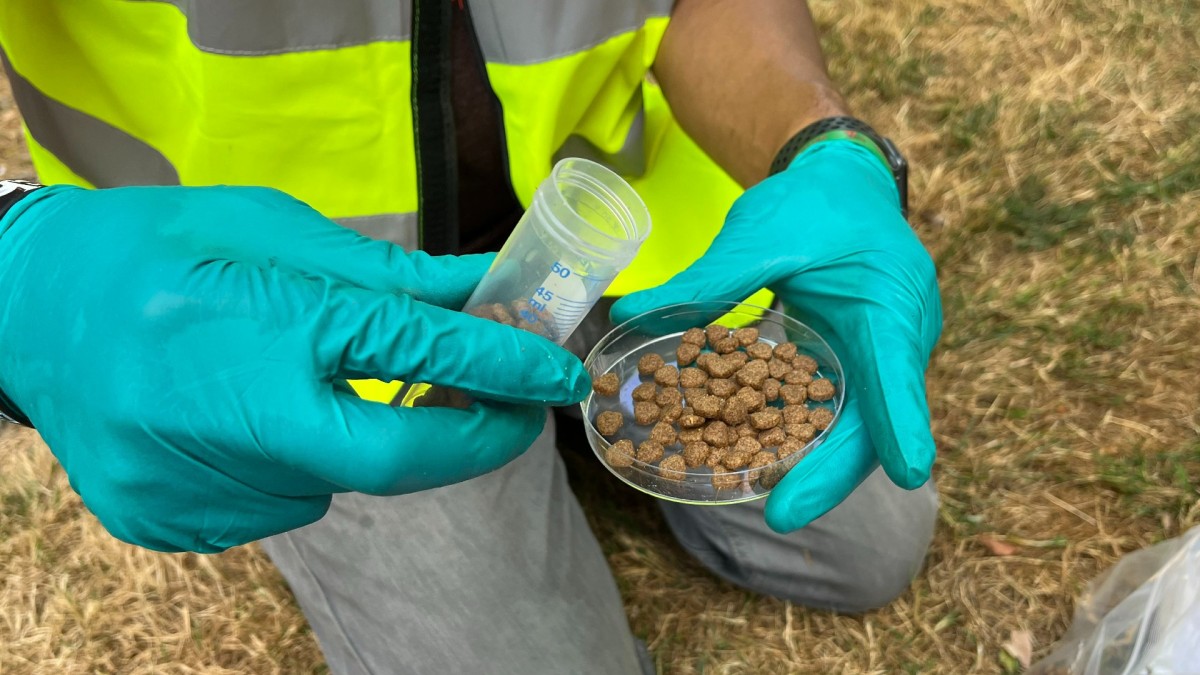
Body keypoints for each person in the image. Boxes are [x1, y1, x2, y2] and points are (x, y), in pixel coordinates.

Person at [0, 1, 942, 673]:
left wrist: (822, 145)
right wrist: (17, 264)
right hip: (312, 305)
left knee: (867, 542)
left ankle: (567, 411)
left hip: (619, 232)